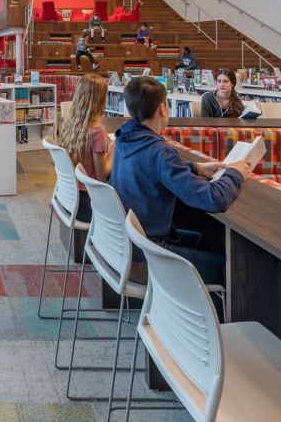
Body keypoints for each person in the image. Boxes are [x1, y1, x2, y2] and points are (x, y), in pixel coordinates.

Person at [109, 76, 251, 288]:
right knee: (233, 268)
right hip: (150, 255)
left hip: (127, 246)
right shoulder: (159, 151)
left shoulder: (124, 138)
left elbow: (149, 168)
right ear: (163, 109)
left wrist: (195, 168)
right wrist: (236, 173)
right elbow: (214, 199)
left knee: (212, 241)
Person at [59, 73, 113, 222]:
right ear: (101, 99)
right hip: (87, 204)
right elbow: (102, 176)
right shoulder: (96, 130)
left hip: (68, 198)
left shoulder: (70, 123)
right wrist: (114, 150)